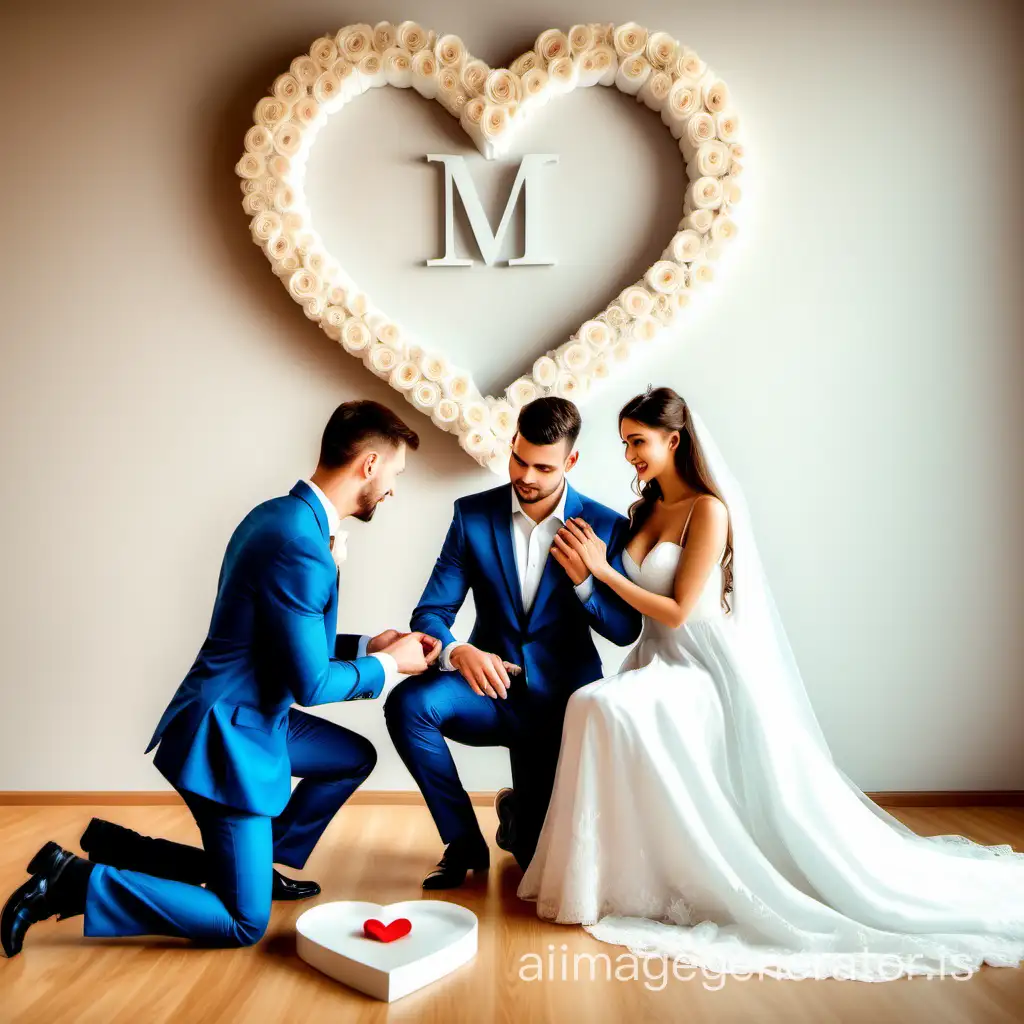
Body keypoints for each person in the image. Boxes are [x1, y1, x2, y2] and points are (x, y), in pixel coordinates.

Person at [518, 386, 1024, 982]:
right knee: (593, 705)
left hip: (702, 667)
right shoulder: (645, 509)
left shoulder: (710, 510)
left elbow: (680, 610)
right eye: (625, 442)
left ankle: (648, 876)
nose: (629, 454)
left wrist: (602, 570)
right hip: (654, 660)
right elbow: (635, 624)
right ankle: (609, 877)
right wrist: (586, 577)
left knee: (599, 707)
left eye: (638, 441)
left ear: (673, 440)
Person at [2, 400, 440, 957]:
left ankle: (232, 862)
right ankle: (74, 882)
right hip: (227, 734)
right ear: (370, 464)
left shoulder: (281, 514)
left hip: (251, 713)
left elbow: (281, 633)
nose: (394, 490)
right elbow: (310, 685)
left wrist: (365, 646)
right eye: (396, 475)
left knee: (351, 756)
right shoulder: (302, 544)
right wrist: (389, 666)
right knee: (242, 921)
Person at [385, 397, 642, 888]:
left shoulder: (607, 527)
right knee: (408, 705)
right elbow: (431, 613)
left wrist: (588, 581)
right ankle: (463, 841)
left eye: (543, 467)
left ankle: (515, 813)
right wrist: (459, 651)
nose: (526, 475)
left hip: (560, 707)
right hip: (488, 693)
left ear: (570, 463)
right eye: (519, 459)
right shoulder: (472, 516)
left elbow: (625, 629)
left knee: (536, 868)